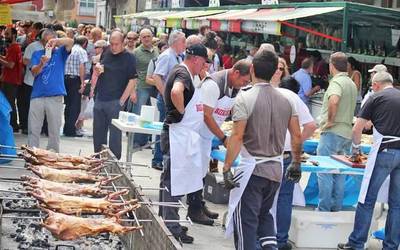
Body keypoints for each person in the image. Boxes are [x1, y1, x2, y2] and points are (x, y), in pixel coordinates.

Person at [223, 49, 302, 250]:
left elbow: (237, 136)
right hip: (276, 169)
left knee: (246, 221)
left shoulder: (245, 97)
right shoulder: (286, 100)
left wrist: (226, 167)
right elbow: (297, 135)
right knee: (265, 215)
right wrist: (296, 163)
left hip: (253, 169)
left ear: (251, 69)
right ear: (276, 70)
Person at [338, 71, 400, 250]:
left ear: (376, 85)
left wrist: (356, 149)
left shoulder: (375, 98)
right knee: (396, 204)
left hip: (384, 151)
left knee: (367, 198)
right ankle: (391, 245)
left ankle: (356, 242)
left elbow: (357, 129)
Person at [186, 59, 252, 226]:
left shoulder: (234, 87)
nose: (243, 85)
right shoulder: (214, 85)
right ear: (236, 73)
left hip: (207, 136)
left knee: (201, 172)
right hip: (195, 133)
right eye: (243, 81)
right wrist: (223, 137)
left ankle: (199, 205)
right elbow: (207, 115)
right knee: (194, 173)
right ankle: (194, 211)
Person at [159, 43, 210, 244]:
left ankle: (166, 219)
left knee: (170, 179)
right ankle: (172, 225)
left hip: (181, 136)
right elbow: (176, 92)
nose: (204, 67)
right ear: (196, 58)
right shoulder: (183, 74)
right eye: (204, 62)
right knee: (174, 180)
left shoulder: (186, 72)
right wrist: (180, 112)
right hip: (177, 136)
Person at [274, 77, 317, 250]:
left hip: (262, 154)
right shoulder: (295, 99)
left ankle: (259, 238)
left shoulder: (267, 93)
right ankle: (281, 240)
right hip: (285, 155)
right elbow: (311, 126)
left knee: (260, 197)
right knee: (284, 198)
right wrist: (296, 143)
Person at [317, 52, 357, 212]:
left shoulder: (336, 82)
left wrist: (330, 120)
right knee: (340, 171)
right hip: (346, 132)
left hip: (333, 131)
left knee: (325, 170)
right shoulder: (351, 83)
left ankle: (324, 208)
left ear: (331, 66)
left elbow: (334, 100)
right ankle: (336, 207)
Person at [93, 30, 137, 159]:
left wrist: (122, 101)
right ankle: (98, 159)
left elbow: (132, 80)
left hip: (116, 100)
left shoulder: (129, 57)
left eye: (116, 44)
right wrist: (98, 69)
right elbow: (100, 66)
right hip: (100, 97)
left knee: (115, 136)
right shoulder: (106, 51)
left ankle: (114, 163)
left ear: (123, 43)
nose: (113, 47)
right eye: (111, 43)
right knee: (98, 133)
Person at [29, 30, 73, 152]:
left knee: (54, 129)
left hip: (55, 96)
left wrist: (56, 41)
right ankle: (33, 153)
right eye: (45, 42)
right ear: (42, 42)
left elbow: (71, 42)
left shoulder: (60, 52)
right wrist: (42, 63)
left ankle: (52, 155)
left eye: (50, 41)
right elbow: (34, 72)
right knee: (34, 128)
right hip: (37, 96)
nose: (48, 45)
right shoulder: (37, 54)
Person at [152, 30, 186, 169]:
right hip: (166, 99)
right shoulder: (166, 56)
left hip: (172, 98)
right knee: (164, 129)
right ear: (176, 42)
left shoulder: (177, 56)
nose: (185, 44)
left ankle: (164, 158)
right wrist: (166, 95)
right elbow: (156, 76)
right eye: (183, 41)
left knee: (169, 129)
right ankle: (158, 159)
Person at [129, 28, 159, 148]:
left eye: (148, 36)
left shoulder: (156, 50)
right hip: (141, 86)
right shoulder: (136, 52)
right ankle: (136, 141)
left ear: (152, 37)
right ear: (140, 39)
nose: (146, 39)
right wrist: (132, 91)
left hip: (154, 87)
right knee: (138, 114)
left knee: (150, 115)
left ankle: (144, 140)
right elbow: (131, 72)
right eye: (144, 37)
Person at [20, 29, 46, 135]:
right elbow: (25, 61)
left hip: (43, 83)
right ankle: (26, 127)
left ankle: (41, 128)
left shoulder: (52, 48)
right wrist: (36, 62)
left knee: (42, 107)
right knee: (28, 106)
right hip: (30, 81)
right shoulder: (32, 46)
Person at [63, 35, 88, 137]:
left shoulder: (69, 49)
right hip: (75, 79)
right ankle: (70, 130)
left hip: (65, 78)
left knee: (68, 105)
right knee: (75, 106)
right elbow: (82, 66)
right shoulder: (82, 51)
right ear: (85, 43)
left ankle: (66, 128)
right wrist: (82, 83)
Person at [0, 27, 22, 132]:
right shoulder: (13, 47)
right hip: (9, 80)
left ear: (13, 35)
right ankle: (12, 124)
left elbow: (10, 65)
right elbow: (8, 60)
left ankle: (13, 125)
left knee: (9, 103)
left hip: (11, 80)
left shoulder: (14, 47)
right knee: (8, 102)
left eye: (7, 34)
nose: (5, 36)